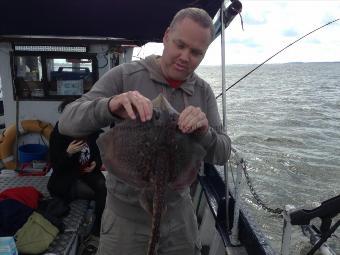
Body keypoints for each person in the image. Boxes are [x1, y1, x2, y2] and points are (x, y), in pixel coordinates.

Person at [58, 7, 231, 255]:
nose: (185, 56)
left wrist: (205, 131)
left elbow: (223, 152)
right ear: (166, 36)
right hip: (125, 220)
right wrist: (110, 106)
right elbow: (67, 121)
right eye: (179, 45)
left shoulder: (202, 92)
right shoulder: (124, 76)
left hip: (179, 220)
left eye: (196, 52)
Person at [47, 98, 107, 253]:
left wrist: (96, 162)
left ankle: (96, 230)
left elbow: (98, 151)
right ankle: (77, 196)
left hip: (87, 172)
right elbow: (57, 167)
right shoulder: (59, 135)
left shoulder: (92, 132)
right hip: (67, 177)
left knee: (104, 189)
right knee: (94, 194)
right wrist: (68, 153)